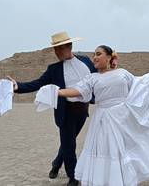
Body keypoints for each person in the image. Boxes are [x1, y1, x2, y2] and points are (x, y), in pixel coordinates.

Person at [52, 45, 149, 186]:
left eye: (98, 54)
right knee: (104, 149)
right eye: (94, 55)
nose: (94, 57)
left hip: (121, 119)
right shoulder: (92, 78)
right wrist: (56, 92)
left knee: (121, 151)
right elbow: (76, 90)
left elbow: (139, 88)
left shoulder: (123, 73)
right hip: (102, 120)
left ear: (109, 57)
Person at [7, 31, 97, 186]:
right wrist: (18, 87)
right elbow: (37, 83)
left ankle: (56, 163)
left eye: (60, 48)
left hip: (82, 110)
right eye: (55, 49)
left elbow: (98, 78)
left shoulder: (86, 61)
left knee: (69, 142)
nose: (57, 52)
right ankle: (73, 178)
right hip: (66, 111)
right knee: (69, 145)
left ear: (70, 46)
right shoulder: (54, 69)